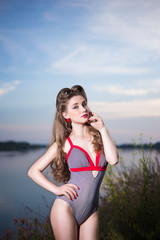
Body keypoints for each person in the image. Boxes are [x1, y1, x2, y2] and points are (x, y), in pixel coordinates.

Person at [28, 85, 119, 240]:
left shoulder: (99, 136)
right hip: (66, 207)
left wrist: (103, 129)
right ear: (66, 114)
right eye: (75, 107)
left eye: (84, 104)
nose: (83, 109)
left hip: (91, 211)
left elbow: (113, 160)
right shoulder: (63, 143)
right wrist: (57, 190)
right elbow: (33, 171)